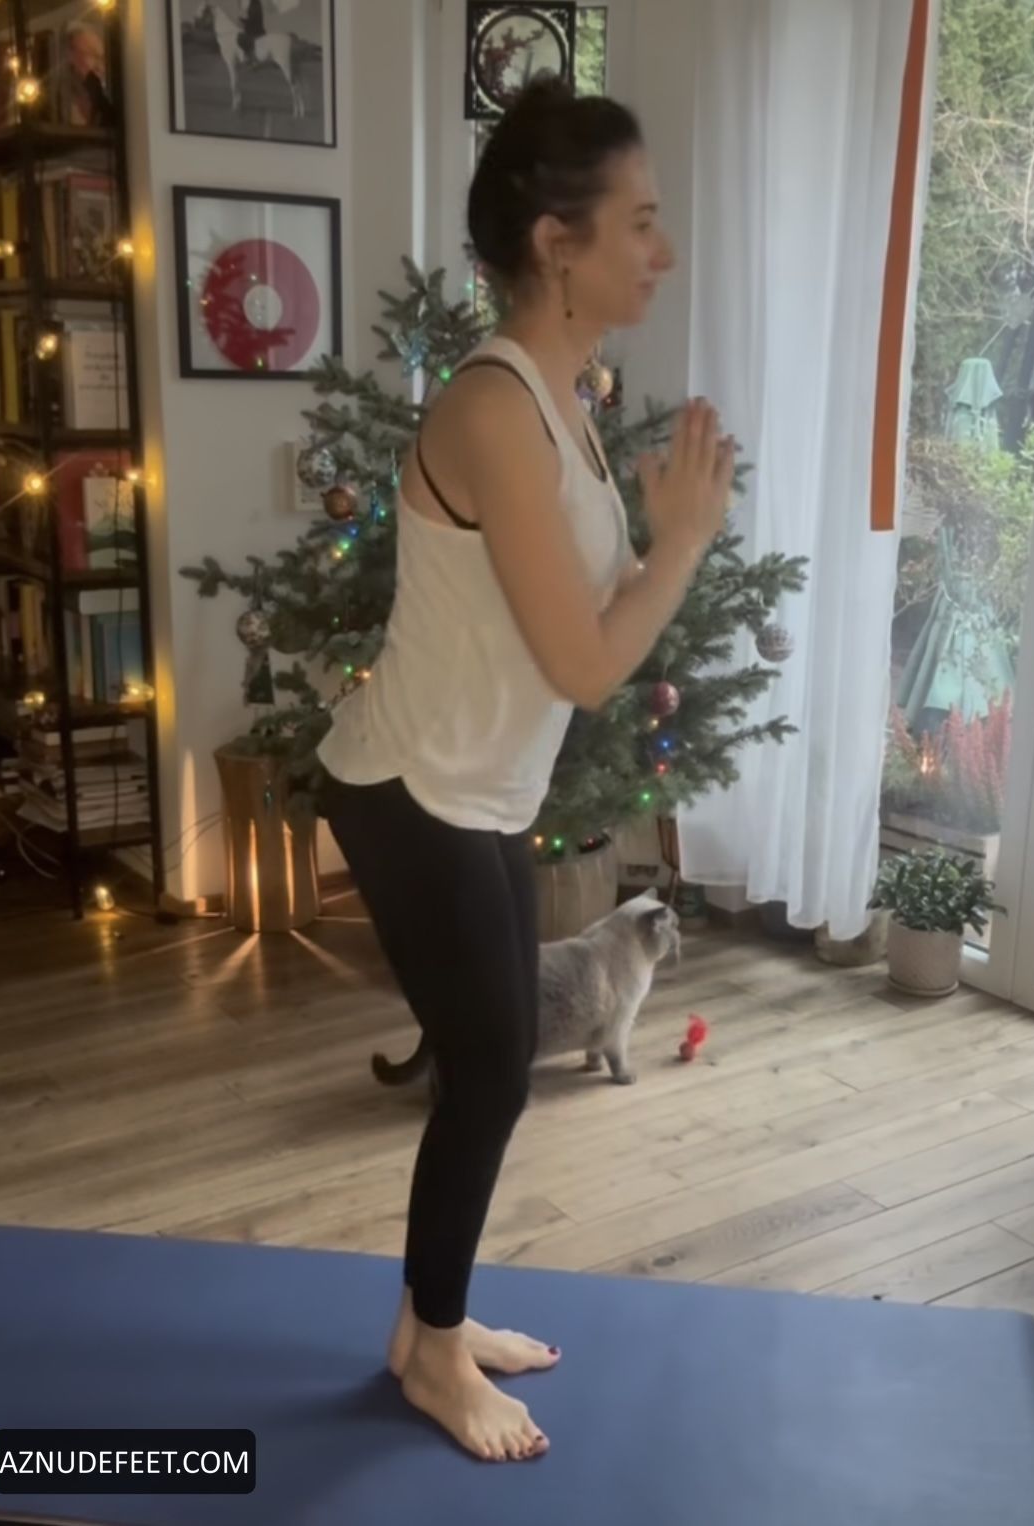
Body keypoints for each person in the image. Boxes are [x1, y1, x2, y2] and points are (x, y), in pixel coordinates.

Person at [317, 76, 734, 1465]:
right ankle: (434, 1353)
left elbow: (575, 611)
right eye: (640, 221)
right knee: (493, 1073)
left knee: (489, 1067)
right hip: (410, 789)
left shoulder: (564, 394)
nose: (661, 250)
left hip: (477, 791)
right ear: (559, 243)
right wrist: (683, 541)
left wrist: (658, 544)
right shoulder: (496, 407)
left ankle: (424, 1326)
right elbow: (585, 663)